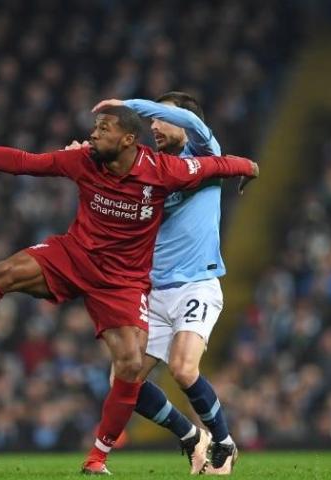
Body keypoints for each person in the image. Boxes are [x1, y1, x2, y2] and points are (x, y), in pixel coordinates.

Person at [0, 106, 257, 475]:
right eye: (94, 129)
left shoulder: (162, 171)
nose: (94, 135)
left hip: (121, 283)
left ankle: (98, 457)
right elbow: (23, 161)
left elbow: (218, 165)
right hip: (73, 256)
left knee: (128, 366)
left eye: (104, 129)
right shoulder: (82, 160)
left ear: (128, 139)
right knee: (5, 272)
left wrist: (250, 167)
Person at [89, 93, 240, 474]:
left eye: (161, 119)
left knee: (183, 369)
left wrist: (130, 105)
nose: (152, 126)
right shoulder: (149, 168)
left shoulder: (206, 153)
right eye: (150, 121)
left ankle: (224, 442)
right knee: (124, 381)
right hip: (153, 290)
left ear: (184, 122)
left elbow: (196, 126)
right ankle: (191, 436)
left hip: (197, 283)